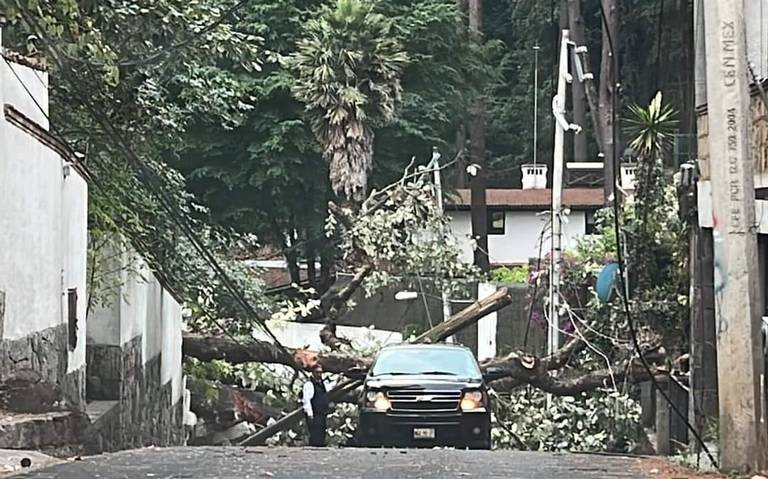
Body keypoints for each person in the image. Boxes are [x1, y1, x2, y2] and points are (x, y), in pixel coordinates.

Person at [302, 363, 332, 446]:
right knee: (315, 434)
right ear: (313, 373)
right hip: (315, 413)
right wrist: (310, 414)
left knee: (321, 433)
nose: (319, 374)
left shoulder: (322, 384)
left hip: (322, 413)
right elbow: (306, 400)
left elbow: (330, 388)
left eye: (320, 372)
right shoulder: (309, 384)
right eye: (317, 372)